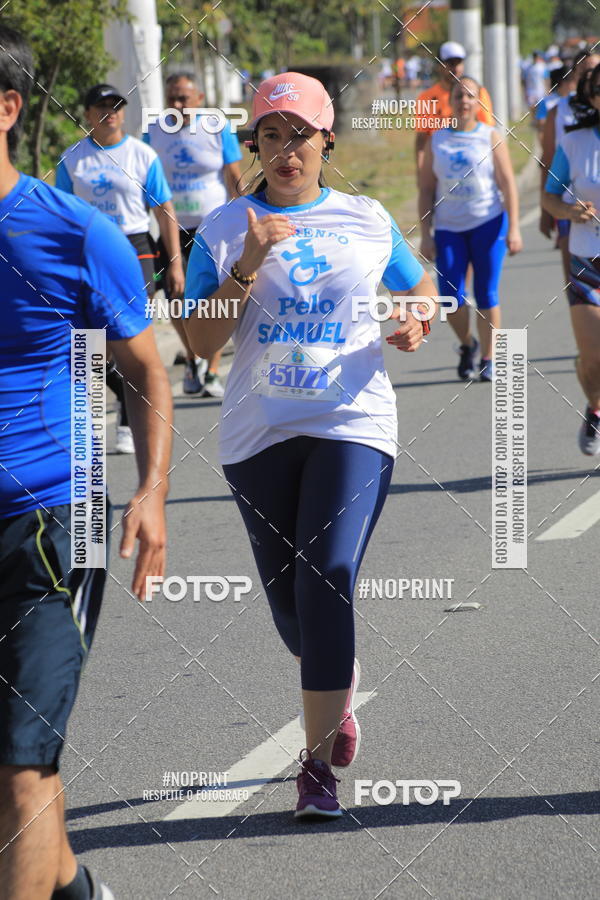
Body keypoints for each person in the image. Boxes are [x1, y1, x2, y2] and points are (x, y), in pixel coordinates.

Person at [182, 71, 436, 819]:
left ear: (328, 138)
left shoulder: (364, 217)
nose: (285, 150)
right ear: (253, 144)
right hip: (257, 433)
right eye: (269, 136)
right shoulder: (227, 226)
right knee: (294, 611)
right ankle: (336, 684)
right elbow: (198, 341)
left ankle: (316, 766)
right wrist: (246, 263)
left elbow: (419, 288)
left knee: (327, 571)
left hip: (353, 421)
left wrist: (416, 319)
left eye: (300, 134)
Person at [0, 24, 172, 900]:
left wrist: (150, 492)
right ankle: (73, 888)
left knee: (23, 762)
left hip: (56, 516)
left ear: (7, 108)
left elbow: (143, 371)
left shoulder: (71, 234)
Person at [56, 83, 184, 450]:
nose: (110, 113)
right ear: (87, 115)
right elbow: (63, 216)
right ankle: (113, 406)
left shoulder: (142, 155)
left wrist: (174, 263)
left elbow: (163, 210)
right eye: (102, 107)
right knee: (94, 344)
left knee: (130, 334)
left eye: (116, 106)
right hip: (89, 251)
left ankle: (128, 422)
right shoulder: (73, 159)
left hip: (135, 250)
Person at [145, 72, 243, 397]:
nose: (177, 104)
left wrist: (240, 218)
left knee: (211, 298)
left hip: (212, 228)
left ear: (199, 99)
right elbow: (143, 180)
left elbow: (234, 177)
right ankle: (192, 356)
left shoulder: (217, 128)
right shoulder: (154, 131)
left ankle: (212, 369)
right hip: (171, 228)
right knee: (174, 294)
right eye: (171, 97)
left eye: (184, 98)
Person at [419, 76, 522, 381]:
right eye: (459, 95)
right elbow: (425, 189)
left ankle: (489, 357)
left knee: (486, 292)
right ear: (450, 100)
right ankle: (468, 344)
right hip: (449, 227)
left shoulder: (490, 136)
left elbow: (508, 185)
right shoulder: (436, 139)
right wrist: (425, 234)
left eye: (470, 96)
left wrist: (514, 228)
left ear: (478, 102)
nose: (464, 101)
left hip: (488, 223)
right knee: (451, 297)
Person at [543, 62, 600, 455]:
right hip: (586, 258)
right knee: (594, 358)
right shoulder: (574, 143)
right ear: (592, 97)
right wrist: (567, 212)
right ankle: (595, 408)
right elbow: (548, 197)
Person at [540, 50, 600, 280]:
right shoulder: (559, 110)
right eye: (586, 69)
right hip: (570, 201)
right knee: (572, 281)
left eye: (596, 67)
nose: (591, 73)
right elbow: (546, 161)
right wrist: (549, 212)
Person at [414, 42, 494, 177]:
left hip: (473, 167)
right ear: (439, 65)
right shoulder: (426, 98)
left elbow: (488, 135)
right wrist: (422, 174)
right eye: (450, 63)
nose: (455, 68)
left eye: (458, 63)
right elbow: (421, 140)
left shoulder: (478, 94)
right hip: (438, 169)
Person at [525, 50, 548, 114]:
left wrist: (547, 89)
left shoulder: (542, 67)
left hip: (540, 90)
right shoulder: (528, 68)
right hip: (531, 90)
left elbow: (546, 79)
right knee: (532, 107)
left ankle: (539, 120)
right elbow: (525, 80)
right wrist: (525, 91)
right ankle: (534, 120)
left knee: (540, 106)